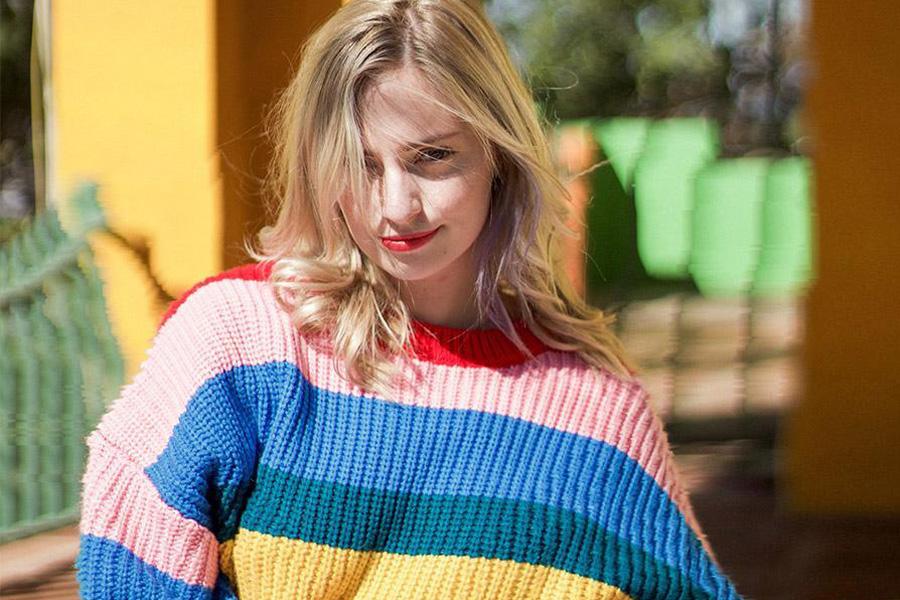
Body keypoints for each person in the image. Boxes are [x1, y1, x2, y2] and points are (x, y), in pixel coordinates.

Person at [75, 0, 743, 598]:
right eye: (360, 163)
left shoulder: (593, 406)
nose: (396, 207)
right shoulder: (237, 341)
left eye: (432, 157)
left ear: (499, 157)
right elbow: (131, 551)